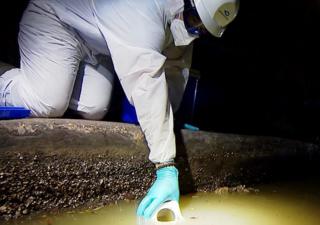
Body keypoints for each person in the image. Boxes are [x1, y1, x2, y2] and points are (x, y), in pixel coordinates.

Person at [0, 0, 239, 219]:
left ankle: (53, 75)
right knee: (48, 102)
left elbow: (174, 73)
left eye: (202, 30)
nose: (195, 30)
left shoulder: (184, 23)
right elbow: (147, 82)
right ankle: (6, 79)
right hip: (55, 20)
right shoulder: (141, 8)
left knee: (95, 109)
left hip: (96, 44)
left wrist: (170, 120)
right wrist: (166, 167)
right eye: (195, 21)